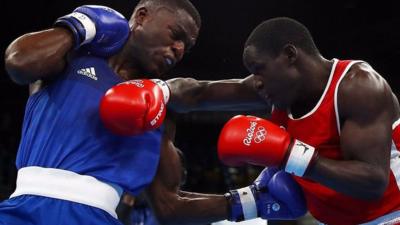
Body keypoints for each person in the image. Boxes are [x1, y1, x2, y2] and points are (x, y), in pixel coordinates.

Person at [1, 1, 306, 224]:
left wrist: (251, 202)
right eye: (175, 34)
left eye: (186, 45)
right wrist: (80, 26)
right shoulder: (71, 57)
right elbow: (19, 62)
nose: (178, 49)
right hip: (21, 211)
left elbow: (169, 207)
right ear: (142, 16)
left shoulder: (160, 107)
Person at [168, 17, 400, 225]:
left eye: (259, 69)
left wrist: (290, 155)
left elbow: (373, 184)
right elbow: (199, 93)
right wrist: (159, 92)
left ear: (290, 55)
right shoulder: (276, 92)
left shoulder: (357, 87)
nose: (256, 82)